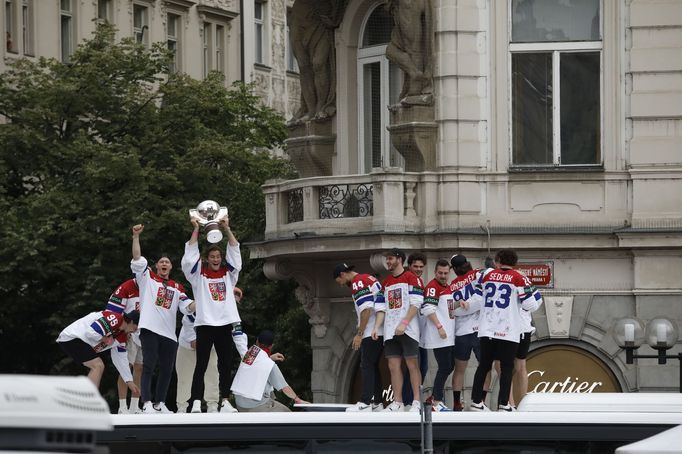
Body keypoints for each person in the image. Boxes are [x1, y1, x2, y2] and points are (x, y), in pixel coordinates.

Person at [181, 215, 242, 413]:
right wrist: (196, 229)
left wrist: (226, 229)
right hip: (205, 323)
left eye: (218, 257)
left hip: (224, 324)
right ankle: (197, 401)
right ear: (207, 259)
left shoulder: (228, 274)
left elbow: (235, 251)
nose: (216, 259)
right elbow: (190, 254)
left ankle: (225, 401)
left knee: (225, 365)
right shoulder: (198, 275)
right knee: (202, 364)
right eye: (212, 257)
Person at [131, 224, 194, 414]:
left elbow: (187, 306)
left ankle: (160, 403)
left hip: (168, 333)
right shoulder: (147, 278)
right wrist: (136, 237)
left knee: (167, 369)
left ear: (171, 266)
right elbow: (136, 258)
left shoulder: (177, 287)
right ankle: (147, 403)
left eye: (167, 262)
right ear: (157, 265)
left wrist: (203, 301)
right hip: (149, 328)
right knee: (149, 364)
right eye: (161, 262)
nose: (164, 264)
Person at [469, 249, 543, 412]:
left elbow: (477, 295)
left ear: (498, 261)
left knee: (484, 365)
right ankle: (504, 404)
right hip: (507, 329)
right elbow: (529, 305)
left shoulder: (486, 275)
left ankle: (476, 401)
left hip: (487, 328)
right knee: (507, 367)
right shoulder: (518, 277)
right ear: (515, 263)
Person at [176, 287, 245, 413]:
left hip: (211, 346)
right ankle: (182, 406)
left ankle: (213, 405)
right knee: (184, 376)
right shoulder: (204, 304)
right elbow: (188, 322)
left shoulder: (231, 314)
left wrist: (244, 355)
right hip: (187, 345)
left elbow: (238, 334)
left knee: (213, 374)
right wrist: (196, 339)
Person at [372, 248, 424, 412]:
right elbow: (380, 308)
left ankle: (416, 401)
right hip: (390, 331)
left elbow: (416, 303)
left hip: (408, 330)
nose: (387, 261)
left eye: (390, 258)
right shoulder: (386, 282)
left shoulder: (411, 277)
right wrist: (376, 327)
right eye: (387, 259)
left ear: (399, 259)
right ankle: (398, 402)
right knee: (393, 366)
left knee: (412, 365)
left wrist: (404, 323)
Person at [333, 263, 384, 412]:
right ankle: (377, 402)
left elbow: (366, 309)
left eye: (339, 281)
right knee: (372, 366)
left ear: (342, 274)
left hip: (371, 331)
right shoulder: (368, 278)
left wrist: (359, 334)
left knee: (366, 365)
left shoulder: (358, 282)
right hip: (379, 329)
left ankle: (366, 401)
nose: (341, 285)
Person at [57, 309, 141, 397]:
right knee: (98, 365)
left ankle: (87, 399)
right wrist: (105, 339)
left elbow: (121, 358)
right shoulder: (116, 319)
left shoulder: (122, 336)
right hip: (72, 337)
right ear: (131, 321)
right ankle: (90, 401)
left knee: (97, 366)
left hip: (78, 341)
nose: (135, 331)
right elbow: (90, 332)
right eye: (136, 327)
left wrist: (129, 381)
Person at [231, 330, 309, 412]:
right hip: (255, 406)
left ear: (257, 341)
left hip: (240, 404)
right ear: (271, 346)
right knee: (287, 413)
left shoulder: (250, 354)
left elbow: (257, 364)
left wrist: (270, 358)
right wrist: (298, 400)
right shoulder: (269, 364)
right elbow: (284, 387)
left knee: (270, 397)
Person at [449, 254, 488, 411]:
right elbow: (483, 298)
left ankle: (457, 403)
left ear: (454, 269)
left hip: (462, 330)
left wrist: (465, 307)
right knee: (485, 366)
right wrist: (474, 305)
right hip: (480, 328)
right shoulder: (478, 273)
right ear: (467, 263)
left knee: (459, 369)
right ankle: (481, 402)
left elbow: (453, 310)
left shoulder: (452, 285)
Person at [421, 259, 455, 412]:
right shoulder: (432, 287)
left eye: (445, 273)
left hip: (447, 336)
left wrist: (459, 303)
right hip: (438, 336)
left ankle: (435, 397)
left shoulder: (447, 287)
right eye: (440, 273)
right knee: (445, 366)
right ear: (435, 272)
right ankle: (436, 400)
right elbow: (428, 308)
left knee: (449, 366)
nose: (443, 276)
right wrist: (439, 327)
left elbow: (446, 308)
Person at [105, 278, 143, 414]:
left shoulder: (152, 286)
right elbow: (111, 312)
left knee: (140, 368)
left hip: (144, 333)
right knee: (125, 367)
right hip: (129, 332)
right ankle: (122, 407)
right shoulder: (125, 287)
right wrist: (122, 330)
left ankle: (134, 407)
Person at [405, 253, 428, 405]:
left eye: (421, 267)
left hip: (421, 334)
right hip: (409, 332)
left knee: (422, 368)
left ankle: (413, 399)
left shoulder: (419, 282)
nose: (418, 269)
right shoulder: (407, 280)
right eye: (415, 266)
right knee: (414, 368)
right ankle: (409, 401)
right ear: (409, 266)